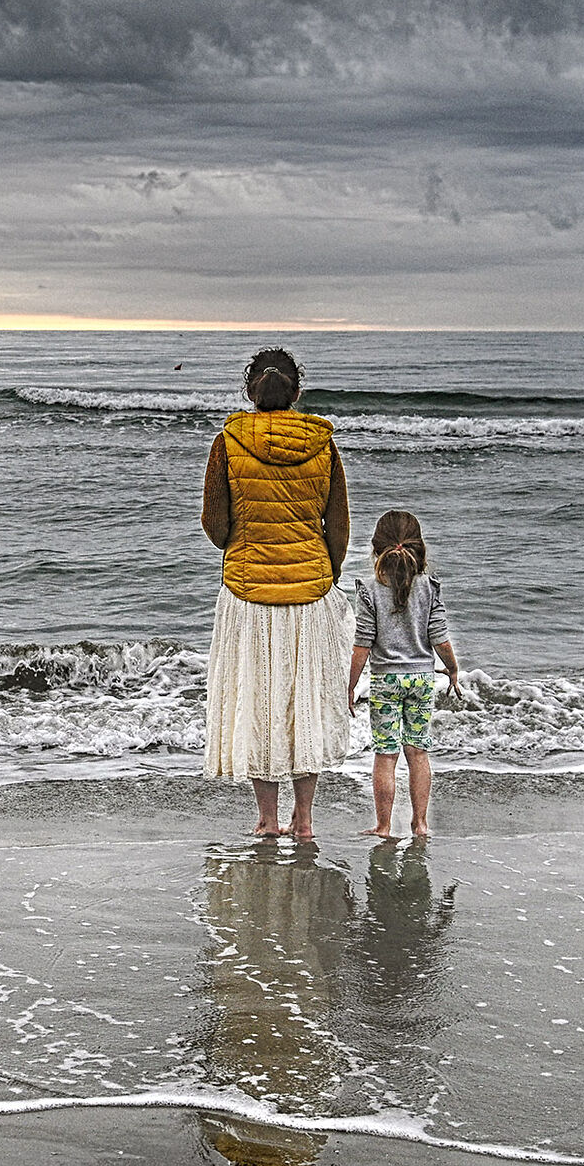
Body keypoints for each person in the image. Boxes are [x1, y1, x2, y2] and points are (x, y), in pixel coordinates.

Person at [200, 348, 351, 841]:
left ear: (250, 391)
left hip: (248, 595)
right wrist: (323, 573)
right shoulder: (324, 446)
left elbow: (216, 526)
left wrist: (246, 541)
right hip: (310, 593)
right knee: (301, 702)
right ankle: (304, 820)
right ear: (297, 392)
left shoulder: (229, 442)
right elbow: (339, 528)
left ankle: (267, 820)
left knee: (260, 702)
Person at [348, 509, 460, 839]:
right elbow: (439, 635)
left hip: (385, 681)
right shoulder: (429, 588)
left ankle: (383, 826)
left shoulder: (370, 590)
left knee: (386, 755)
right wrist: (452, 669)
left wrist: (350, 685)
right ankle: (420, 824)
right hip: (423, 680)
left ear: (375, 549)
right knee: (418, 752)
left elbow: (362, 644)